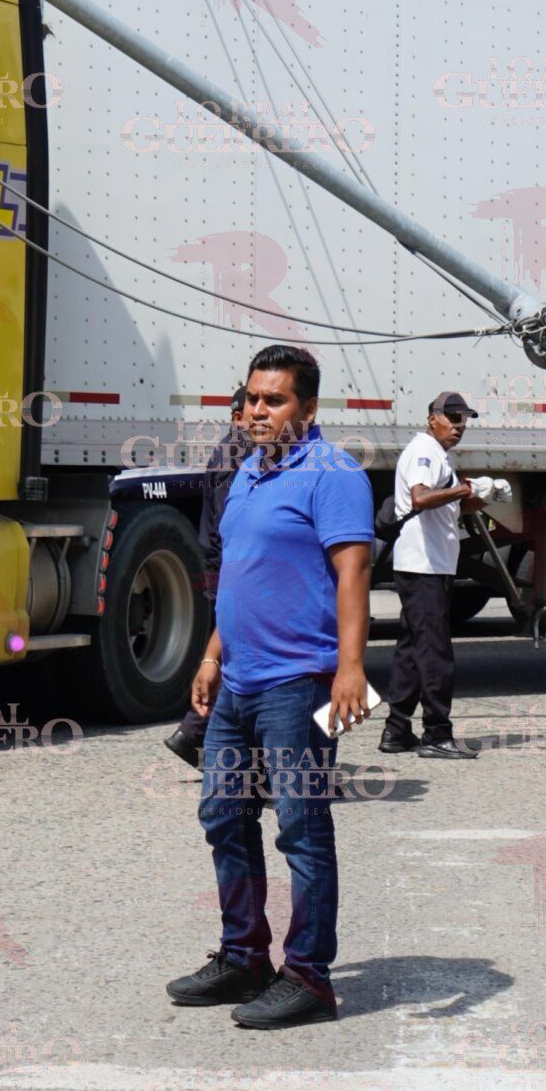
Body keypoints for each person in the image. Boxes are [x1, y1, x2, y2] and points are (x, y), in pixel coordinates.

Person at [167, 345, 371, 1030]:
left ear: (308, 408)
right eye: (252, 397)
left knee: (302, 829)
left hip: (300, 683)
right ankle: (243, 955)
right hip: (240, 681)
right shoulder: (249, 472)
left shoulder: (332, 473)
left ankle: (309, 975)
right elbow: (239, 575)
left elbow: (352, 575)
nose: (257, 409)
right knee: (224, 815)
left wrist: (350, 668)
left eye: (274, 399)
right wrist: (210, 655)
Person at [382, 391, 483, 760]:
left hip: (426, 564)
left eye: (464, 419)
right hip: (423, 565)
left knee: (412, 648)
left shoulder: (437, 454)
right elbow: (421, 497)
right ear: (432, 419)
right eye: (452, 417)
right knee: (434, 650)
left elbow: (446, 502)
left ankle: (396, 729)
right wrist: (460, 489)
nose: (459, 426)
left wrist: (480, 495)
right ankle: (437, 733)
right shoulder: (425, 451)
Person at [162, 387, 252, 768]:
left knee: (236, 655)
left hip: (227, 568)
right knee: (237, 657)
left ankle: (197, 738)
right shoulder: (236, 457)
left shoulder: (232, 452)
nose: (262, 417)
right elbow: (234, 527)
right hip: (232, 570)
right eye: (253, 409)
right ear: (236, 416)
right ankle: (195, 736)